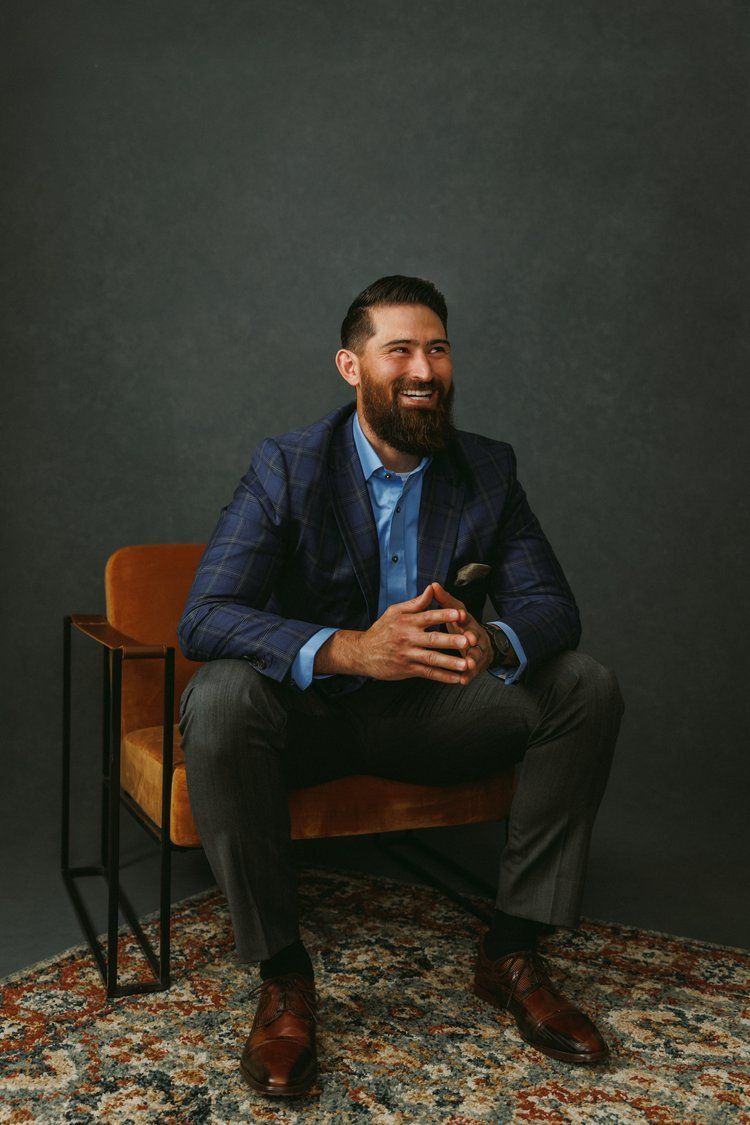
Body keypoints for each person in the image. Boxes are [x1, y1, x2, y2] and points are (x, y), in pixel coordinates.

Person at [177, 274, 625, 1097]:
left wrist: (491, 641)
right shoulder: (287, 465)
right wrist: (350, 648)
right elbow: (205, 616)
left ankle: (510, 949)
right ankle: (284, 978)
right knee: (218, 695)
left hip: (435, 717)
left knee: (585, 686)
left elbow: (552, 606)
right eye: (401, 350)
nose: (424, 369)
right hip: (305, 721)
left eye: (438, 349)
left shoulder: (485, 468)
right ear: (352, 367)